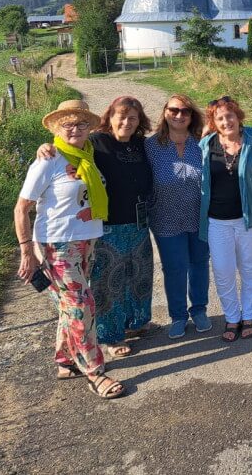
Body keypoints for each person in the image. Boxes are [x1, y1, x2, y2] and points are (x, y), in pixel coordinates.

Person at [14, 99, 124, 398]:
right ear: (57, 129)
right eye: (68, 124)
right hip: (57, 244)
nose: (75, 129)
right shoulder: (48, 160)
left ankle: (65, 359)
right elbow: (21, 208)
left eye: (81, 124)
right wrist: (27, 251)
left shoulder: (87, 154)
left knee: (70, 304)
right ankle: (95, 372)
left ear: (89, 128)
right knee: (82, 305)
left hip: (87, 239)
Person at [36, 96, 155, 357]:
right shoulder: (96, 143)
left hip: (138, 223)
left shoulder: (141, 144)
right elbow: (69, 147)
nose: (126, 122)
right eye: (121, 116)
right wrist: (46, 147)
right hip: (107, 226)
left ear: (139, 122)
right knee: (108, 282)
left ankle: (135, 323)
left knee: (138, 275)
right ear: (109, 118)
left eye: (132, 118)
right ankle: (110, 336)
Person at [198, 96, 252, 342]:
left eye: (230, 115)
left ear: (238, 116)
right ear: (213, 123)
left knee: (249, 267)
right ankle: (232, 317)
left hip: (248, 219)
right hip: (216, 221)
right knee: (222, 271)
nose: (226, 122)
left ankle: (249, 315)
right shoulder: (206, 145)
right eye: (220, 118)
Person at [145, 94, 212, 339]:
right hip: (165, 218)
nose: (179, 115)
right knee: (174, 268)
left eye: (185, 111)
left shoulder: (202, 142)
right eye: (174, 110)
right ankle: (178, 316)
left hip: (200, 217)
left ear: (192, 116)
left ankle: (199, 309)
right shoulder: (151, 146)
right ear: (165, 112)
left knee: (199, 264)